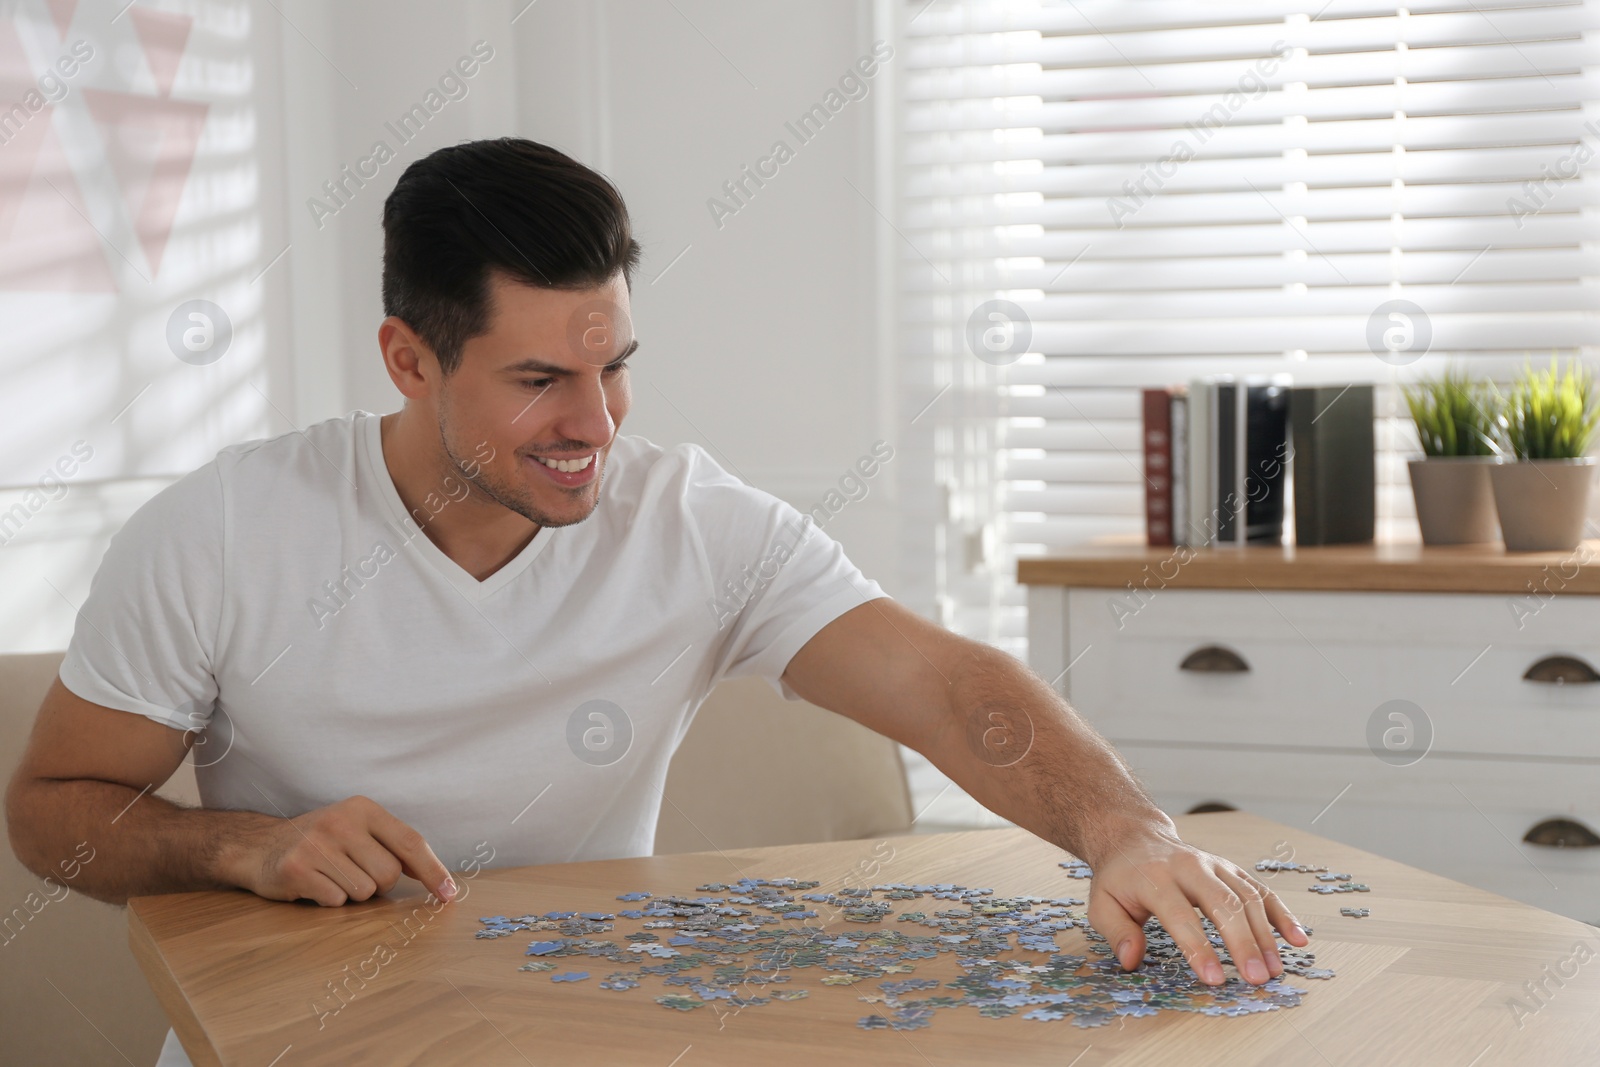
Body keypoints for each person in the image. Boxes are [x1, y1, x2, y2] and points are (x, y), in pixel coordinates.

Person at [6, 137, 1307, 1065]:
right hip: (287, 1037)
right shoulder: (223, 529)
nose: (596, 425)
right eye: (537, 382)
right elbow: (49, 815)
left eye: (615, 365)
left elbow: (946, 688)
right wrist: (233, 844)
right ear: (408, 358)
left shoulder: (686, 516)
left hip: (596, 1028)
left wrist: (1126, 830)